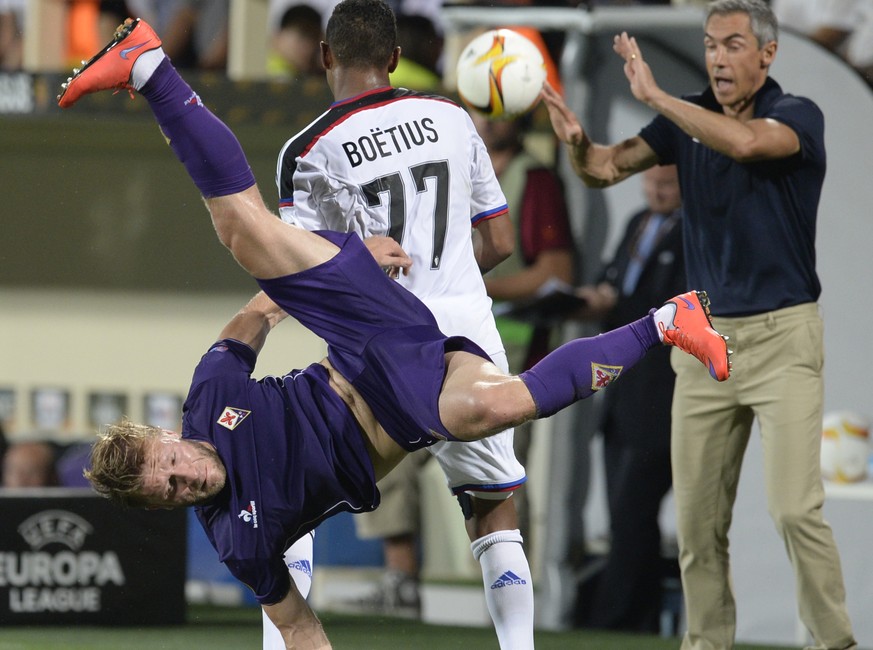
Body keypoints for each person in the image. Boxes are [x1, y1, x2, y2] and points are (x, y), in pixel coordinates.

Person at [57, 16, 729, 648]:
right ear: (165, 510)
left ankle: (149, 66)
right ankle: (669, 321)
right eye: (170, 491)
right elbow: (301, 630)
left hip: (363, 337)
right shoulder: (238, 539)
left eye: (171, 465)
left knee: (245, 231)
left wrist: (337, 268)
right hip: (412, 389)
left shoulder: (207, 399)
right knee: (488, 414)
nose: (186, 479)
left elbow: (253, 316)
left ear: (168, 439)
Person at [540, 1, 855, 648]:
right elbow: (603, 169)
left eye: (733, 44)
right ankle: (705, 643)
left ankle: (834, 642)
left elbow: (743, 144)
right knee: (696, 525)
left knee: (795, 510)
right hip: (702, 339)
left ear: (766, 54)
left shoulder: (797, 116)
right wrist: (575, 146)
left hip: (782, 339)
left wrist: (654, 94)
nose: (716, 57)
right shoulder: (682, 118)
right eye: (710, 44)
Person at [275, 0, 530, 644]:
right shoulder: (452, 116)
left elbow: (300, 275)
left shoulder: (308, 149)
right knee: (493, 508)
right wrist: (448, 277)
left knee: (296, 495)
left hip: (382, 350)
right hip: (470, 341)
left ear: (327, 56)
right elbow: (498, 241)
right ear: (394, 59)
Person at [575, 164, 684, 633]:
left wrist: (619, 305)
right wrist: (595, 297)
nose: (655, 191)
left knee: (633, 514)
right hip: (620, 397)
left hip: (661, 400)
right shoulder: (637, 222)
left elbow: (679, 310)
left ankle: (614, 623)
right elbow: (614, 281)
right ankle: (635, 622)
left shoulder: (693, 233)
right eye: (650, 182)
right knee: (624, 518)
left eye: (666, 184)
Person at [472, 110, 575, 548]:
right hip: (442, 345)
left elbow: (557, 272)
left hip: (510, 353)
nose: (489, 120)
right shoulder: (452, 168)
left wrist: (476, 287)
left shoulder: (534, 179)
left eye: (500, 109)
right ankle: (401, 583)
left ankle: (515, 595)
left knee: (501, 472)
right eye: (479, 106)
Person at [267, 4, 324, 80]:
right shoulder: (271, 76)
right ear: (277, 37)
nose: (308, 45)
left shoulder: (312, 77)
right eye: (303, 35)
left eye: (314, 38)